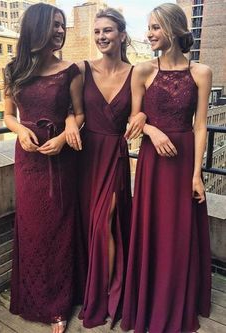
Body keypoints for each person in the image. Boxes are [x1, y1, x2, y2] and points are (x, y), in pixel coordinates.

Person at [121, 3, 212, 333]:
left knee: (179, 230)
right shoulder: (142, 70)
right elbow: (133, 118)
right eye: (148, 27)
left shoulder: (200, 72)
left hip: (184, 157)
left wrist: (197, 174)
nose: (149, 33)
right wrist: (150, 128)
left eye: (155, 27)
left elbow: (201, 125)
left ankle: (176, 299)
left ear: (173, 30)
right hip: (153, 161)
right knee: (153, 227)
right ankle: (150, 297)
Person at [4, 3, 83, 333]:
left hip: (60, 163)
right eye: (54, 25)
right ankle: (32, 296)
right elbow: (8, 115)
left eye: (62, 25)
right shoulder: (14, 70)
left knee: (58, 231)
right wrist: (20, 129)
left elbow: (79, 114)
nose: (60, 31)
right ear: (37, 28)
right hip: (28, 163)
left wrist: (65, 137)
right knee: (32, 229)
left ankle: (58, 306)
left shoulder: (71, 71)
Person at [65, 7, 145, 329]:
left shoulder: (136, 72)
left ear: (122, 34)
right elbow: (71, 109)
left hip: (116, 154)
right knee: (90, 225)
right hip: (86, 156)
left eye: (108, 31)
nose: (101, 37)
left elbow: (139, 114)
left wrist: (143, 121)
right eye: (97, 32)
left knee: (105, 222)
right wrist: (70, 121)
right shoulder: (82, 69)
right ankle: (93, 289)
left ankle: (108, 296)